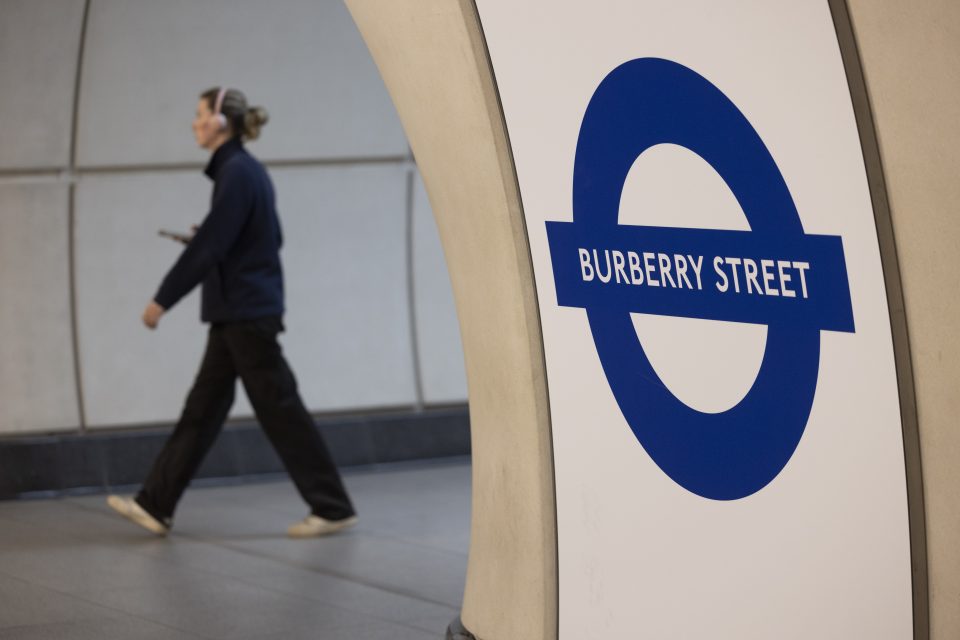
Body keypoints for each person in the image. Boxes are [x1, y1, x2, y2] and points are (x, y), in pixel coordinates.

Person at [107, 87, 356, 538]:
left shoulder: (237, 172)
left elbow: (213, 247)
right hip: (237, 314)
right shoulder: (245, 171)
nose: (194, 123)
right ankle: (155, 504)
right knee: (202, 411)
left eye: (200, 115)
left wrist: (162, 299)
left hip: (246, 315)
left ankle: (332, 506)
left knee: (279, 408)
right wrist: (218, 240)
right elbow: (265, 237)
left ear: (221, 122)